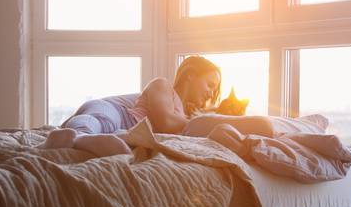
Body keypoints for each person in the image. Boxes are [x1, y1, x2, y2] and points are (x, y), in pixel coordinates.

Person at [38, 56, 222, 156]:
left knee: (112, 130)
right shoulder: (162, 85)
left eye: (214, 91)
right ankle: (77, 135)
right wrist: (201, 122)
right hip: (115, 110)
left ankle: (85, 139)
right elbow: (164, 121)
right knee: (102, 120)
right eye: (210, 85)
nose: (210, 94)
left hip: (124, 130)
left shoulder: (183, 113)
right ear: (191, 75)